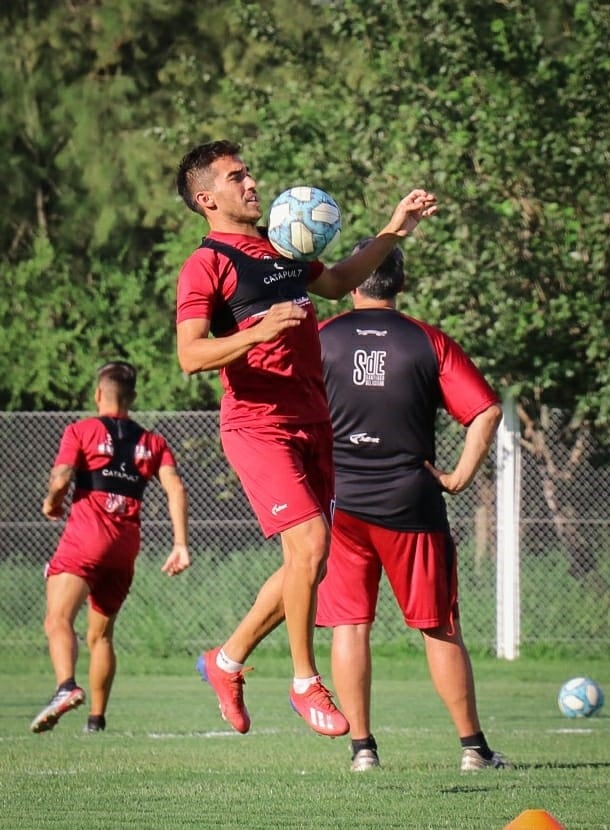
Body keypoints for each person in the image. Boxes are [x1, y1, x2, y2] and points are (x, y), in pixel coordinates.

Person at [175, 139, 437, 738]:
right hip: (258, 423)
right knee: (314, 545)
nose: (251, 183)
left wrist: (395, 228)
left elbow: (343, 278)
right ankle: (303, 681)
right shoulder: (207, 263)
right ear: (206, 197)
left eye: (250, 173)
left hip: (314, 423)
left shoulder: (281, 244)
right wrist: (258, 330)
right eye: (237, 177)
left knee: (307, 564)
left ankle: (227, 659)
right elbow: (190, 355)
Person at [316, 241, 512, 771]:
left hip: (341, 506)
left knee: (349, 626)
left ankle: (363, 752)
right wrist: (457, 478)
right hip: (412, 504)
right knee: (438, 626)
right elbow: (486, 412)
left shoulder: (320, 338)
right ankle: (473, 750)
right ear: (400, 286)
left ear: (352, 282)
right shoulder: (427, 341)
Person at [31, 361, 190, 734]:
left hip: (86, 540)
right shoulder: (153, 442)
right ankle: (96, 721)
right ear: (132, 398)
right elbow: (176, 489)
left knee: (57, 620)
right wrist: (180, 543)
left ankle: (66, 687)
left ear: (98, 394)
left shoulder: (81, 430)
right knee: (100, 635)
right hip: (124, 548)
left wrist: (53, 502)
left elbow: (63, 476)